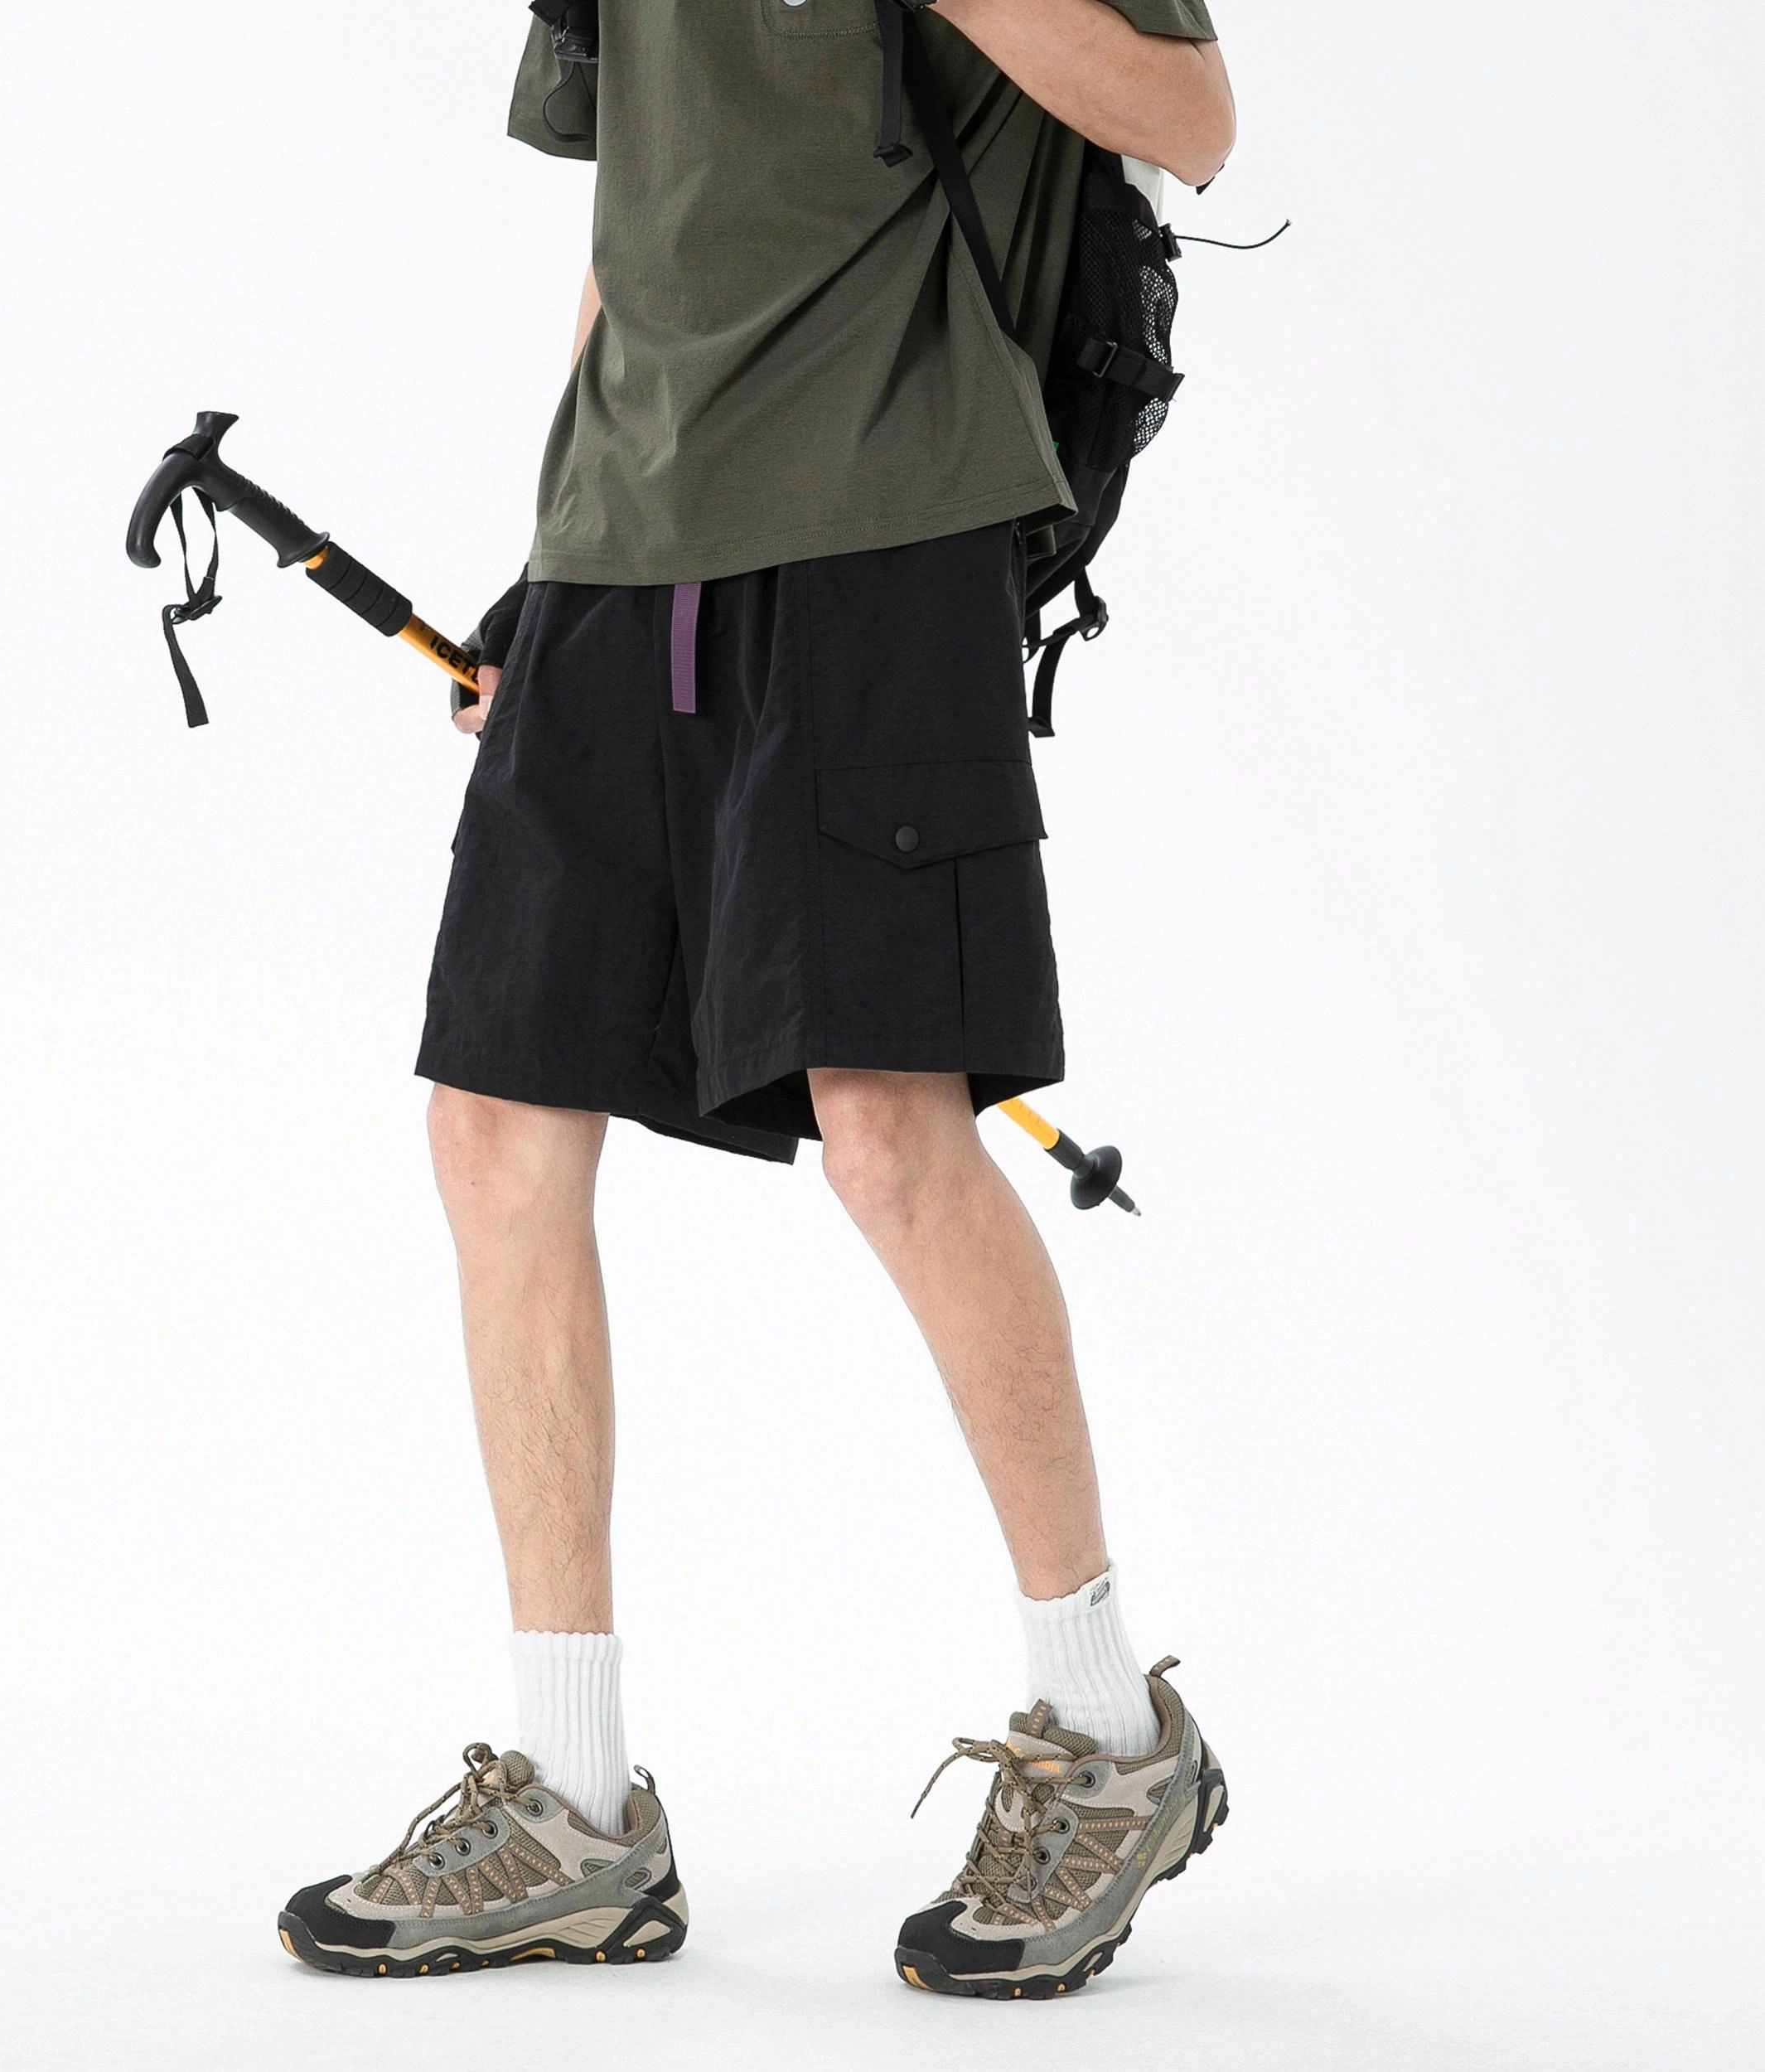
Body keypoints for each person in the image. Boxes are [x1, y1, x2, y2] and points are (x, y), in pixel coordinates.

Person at [278, 0, 1236, 1999]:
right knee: (492, 1122)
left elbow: (1189, 117)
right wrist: (550, 565)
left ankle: (1111, 1735)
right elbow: (643, 219)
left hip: (889, 524)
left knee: (887, 1132)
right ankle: (573, 1810)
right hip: (619, 542)